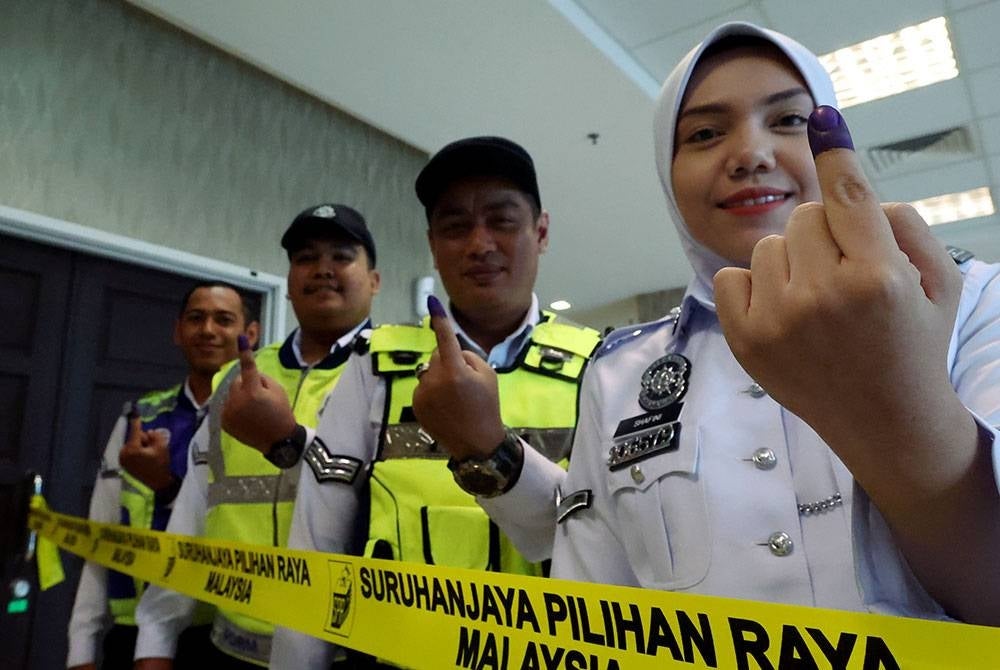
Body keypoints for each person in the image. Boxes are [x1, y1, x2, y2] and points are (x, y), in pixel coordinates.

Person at [414, 22, 1000, 626]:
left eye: (790, 121)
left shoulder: (972, 302)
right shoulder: (618, 372)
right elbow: (592, 605)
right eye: (705, 133)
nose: (748, 153)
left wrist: (895, 399)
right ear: (668, 176)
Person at [267, 137, 602, 668]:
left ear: (540, 232)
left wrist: (489, 448)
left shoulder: (599, 366)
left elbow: (608, 537)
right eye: (455, 226)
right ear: (432, 244)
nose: (479, 244)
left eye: (502, 221)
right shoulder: (376, 362)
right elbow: (316, 541)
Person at [133, 204, 381, 668]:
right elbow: (194, 508)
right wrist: (156, 639)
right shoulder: (233, 378)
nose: (323, 269)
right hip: (228, 647)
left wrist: (288, 440)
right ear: (288, 283)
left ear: (374, 280)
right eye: (306, 257)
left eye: (342, 256)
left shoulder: (398, 372)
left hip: (346, 652)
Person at [67, 282, 259, 670]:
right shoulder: (141, 418)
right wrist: (81, 647)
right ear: (177, 331)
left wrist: (165, 485)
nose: (208, 330)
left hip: (218, 636)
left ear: (250, 335)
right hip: (130, 630)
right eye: (195, 318)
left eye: (223, 319)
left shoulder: (261, 419)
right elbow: (101, 533)